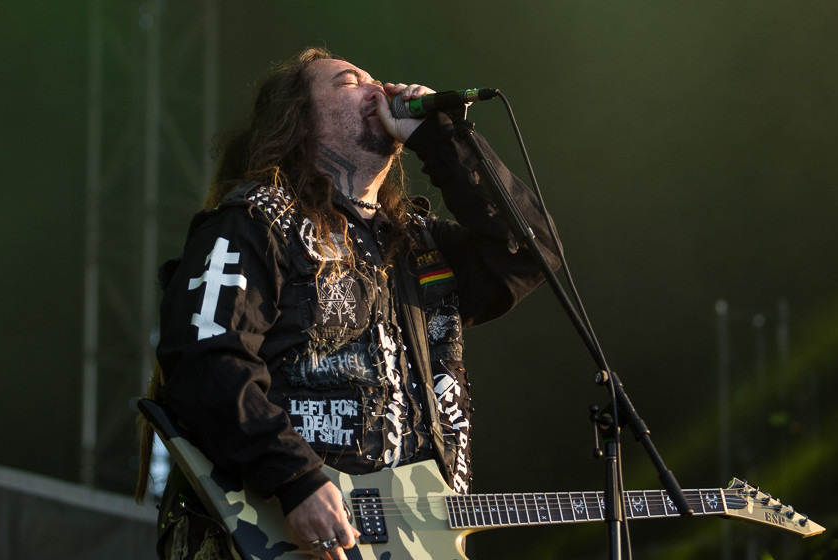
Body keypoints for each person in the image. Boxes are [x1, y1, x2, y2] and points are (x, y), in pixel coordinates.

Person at [137, 46, 560, 560]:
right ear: (298, 119)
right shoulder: (256, 221)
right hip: (276, 535)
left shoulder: (419, 246)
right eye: (348, 81)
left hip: (408, 541)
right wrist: (293, 479)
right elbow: (205, 357)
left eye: (375, 79)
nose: (379, 89)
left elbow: (530, 253)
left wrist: (443, 141)